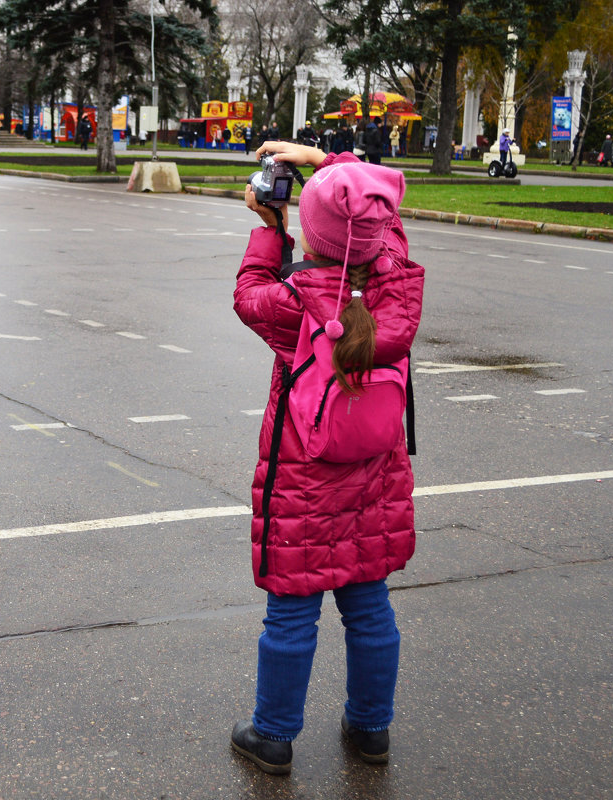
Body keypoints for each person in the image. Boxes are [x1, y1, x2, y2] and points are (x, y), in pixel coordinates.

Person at [229, 140, 424, 776]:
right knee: (370, 607)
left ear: (310, 233)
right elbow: (380, 218)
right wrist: (323, 158)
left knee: (291, 610)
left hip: (303, 478)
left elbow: (248, 291)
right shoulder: (395, 289)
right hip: (374, 472)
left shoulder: (294, 303)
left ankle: (274, 735)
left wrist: (267, 229)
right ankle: (372, 730)